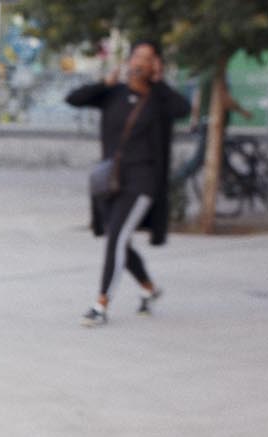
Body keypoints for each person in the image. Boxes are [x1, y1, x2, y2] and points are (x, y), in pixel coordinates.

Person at [67, 40, 191, 327]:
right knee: (117, 238)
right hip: (111, 180)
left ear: (155, 64)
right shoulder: (113, 94)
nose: (141, 63)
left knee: (117, 238)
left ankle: (101, 305)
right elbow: (74, 98)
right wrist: (104, 83)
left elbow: (183, 109)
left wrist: (159, 82)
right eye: (137, 56)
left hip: (143, 180)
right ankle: (149, 288)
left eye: (148, 58)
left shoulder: (159, 100)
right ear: (129, 60)